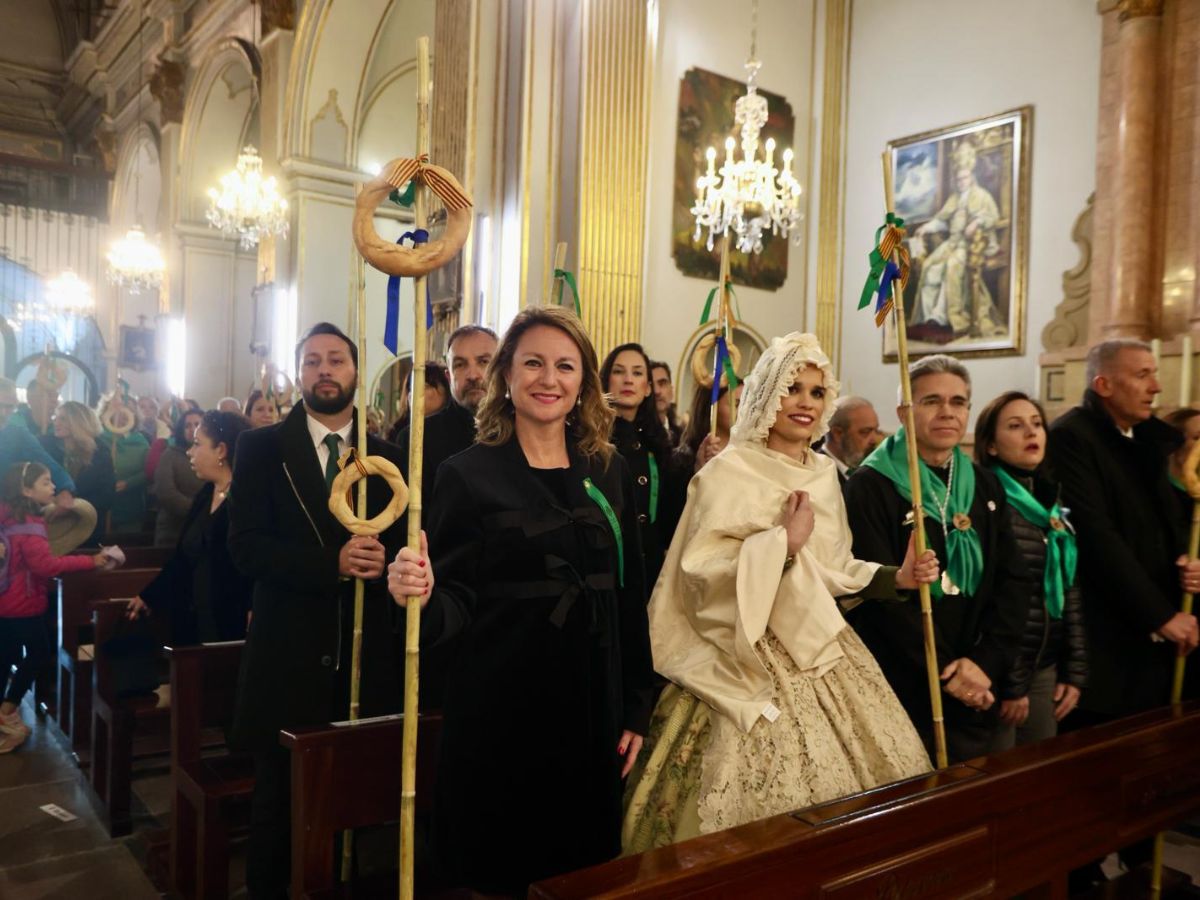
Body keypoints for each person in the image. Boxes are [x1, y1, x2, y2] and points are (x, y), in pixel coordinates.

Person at [622, 332, 935, 852]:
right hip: (743, 646)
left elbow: (833, 567)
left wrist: (894, 578)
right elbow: (699, 571)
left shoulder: (826, 475)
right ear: (767, 392)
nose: (806, 403)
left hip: (816, 645)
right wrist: (780, 547)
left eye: (816, 392)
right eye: (793, 388)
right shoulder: (729, 470)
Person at [388, 305, 653, 894]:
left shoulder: (605, 470)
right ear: (506, 374)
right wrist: (421, 593)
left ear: (583, 380)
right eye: (533, 362)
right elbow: (455, 603)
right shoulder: (466, 474)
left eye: (565, 366)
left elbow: (630, 590)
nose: (549, 379)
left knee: (581, 875)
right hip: (500, 714)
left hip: (589, 708)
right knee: (503, 876)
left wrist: (636, 705)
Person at [228, 322, 406, 899]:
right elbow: (245, 546)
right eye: (311, 361)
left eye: (336, 360)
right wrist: (330, 563)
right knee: (277, 805)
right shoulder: (261, 448)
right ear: (299, 374)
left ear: (356, 373)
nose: (324, 370)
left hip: (361, 656)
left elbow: (404, 544)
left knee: (355, 808)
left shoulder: (389, 458)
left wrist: (391, 565)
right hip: (287, 653)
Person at [844, 354, 1026, 762]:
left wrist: (984, 662)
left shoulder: (985, 483)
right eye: (931, 401)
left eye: (959, 402)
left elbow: (1013, 580)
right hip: (903, 681)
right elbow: (878, 594)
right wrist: (946, 673)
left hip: (977, 678)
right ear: (904, 412)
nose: (948, 412)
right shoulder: (870, 486)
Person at [1046, 340, 1198, 724]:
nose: (1156, 387)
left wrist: (1186, 560)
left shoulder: (1143, 440)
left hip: (1151, 639)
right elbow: (1096, 535)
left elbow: (1166, 521)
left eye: (1154, 374)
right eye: (1142, 374)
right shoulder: (1072, 437)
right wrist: (1160, 614)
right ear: (1104, 385)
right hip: (1106, 639)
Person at [973, 391, 1086, 749]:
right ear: (991, 445)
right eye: (1015, 426)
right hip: (1003, 673)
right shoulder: (990, 501)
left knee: (1040, 775)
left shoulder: (1049, 502)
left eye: (1037, 424)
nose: (1031, 433)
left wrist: (1075, 670)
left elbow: (1069, 589)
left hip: (1046, 666)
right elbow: (1001, 600)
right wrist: (1013, 684)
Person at [0, 462, 116, 753]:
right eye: (45, 482)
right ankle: (7, 709)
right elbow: (45, 565)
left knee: (7, 655)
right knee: (39, 652)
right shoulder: (29, 525)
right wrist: (91, 561)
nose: (53, 487)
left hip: (7, 600)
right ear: (26, 490)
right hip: (22, 602)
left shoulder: (10, 517)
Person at [126, 411, 254, 644]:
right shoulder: (205, 495)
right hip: (193, 617)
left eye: (197, 444)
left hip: (230, 621)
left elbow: (256, 565)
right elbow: (184, 558)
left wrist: (254, 605)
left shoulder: (248, 500)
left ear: (221, 451)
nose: (189, 451)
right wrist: (149, 595)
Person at [600, 342, 684, 588]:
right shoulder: (590, 439)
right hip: (608, 570)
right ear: (605, 381)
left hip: (649, 571)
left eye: (637, 373)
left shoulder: (656, 442)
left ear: (647, 388)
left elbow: (670, 515)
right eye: (619, 371)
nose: (628, 380)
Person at [908, 141, 1006, 342]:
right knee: (929, 267)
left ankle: (950, 318)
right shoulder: (954, 198)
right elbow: (943, 221)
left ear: (971, 177)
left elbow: (993, 217)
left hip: (970, 245)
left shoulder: (982, 196)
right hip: (952, 243)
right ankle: (928, 318)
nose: (962, 182)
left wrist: (977, 222)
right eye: (959, 179)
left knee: (951, 268)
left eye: (965, 178)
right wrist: (927, 227)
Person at [394, 325, 497, 486]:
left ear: (502, 369)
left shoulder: (526, 431)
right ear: (449, 377)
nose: (472, 375)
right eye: (460, 365)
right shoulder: (417, 438)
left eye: (484, 362)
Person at [41, 401, 115, 544]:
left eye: (63, 418)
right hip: (49, 524)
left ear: (79, 421)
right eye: (56, 418)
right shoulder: (44, 446)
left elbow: (107, 495)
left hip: (84, 526)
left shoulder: (100, 452)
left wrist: (73, 507)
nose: (56, 422)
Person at [0, 378, 75, 512]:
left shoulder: (19, 436)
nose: (3, 412)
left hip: (6, 513)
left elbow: (46, 462)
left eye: (9, 406)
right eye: (1, 405)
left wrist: (65, 489)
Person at [98, 393, 150, 536]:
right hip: (102, 506)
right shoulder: (97, 439)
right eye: (116, 408)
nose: (121, 414)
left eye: (128, 409)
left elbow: (149, 471)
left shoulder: (141, 441)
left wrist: (129, 483)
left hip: (131, 507)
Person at [153, 409, 204, 547]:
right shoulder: (170, 455)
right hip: (173, 529)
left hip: (204, 529)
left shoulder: (212, 454)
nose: (192, 429)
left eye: (197, 424)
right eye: (187, 426)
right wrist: (197, 510)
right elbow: (166, 492)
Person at [674, 380, 742, 475]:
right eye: (736, 404)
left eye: (746, 404)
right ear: (712, 408)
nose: (743, 411)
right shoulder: (682, 460)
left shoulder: (746, 457)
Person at [820, 395, 882, 485]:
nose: (875, 439)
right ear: (837, 433)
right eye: (865, 432)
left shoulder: (871, 471)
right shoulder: (815, 472)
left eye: (876, 430)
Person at [386, 361, 451, 442]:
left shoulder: (456, 432)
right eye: (411, 388)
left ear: (447, 391)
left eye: (426, 386)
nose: (413, 393)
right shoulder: (399, 434)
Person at [649, 359, 681, 446]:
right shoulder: (638, 436)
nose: (656, 391)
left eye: (662, 383)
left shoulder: (682, 437)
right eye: (651, 385)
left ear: (671, 391)